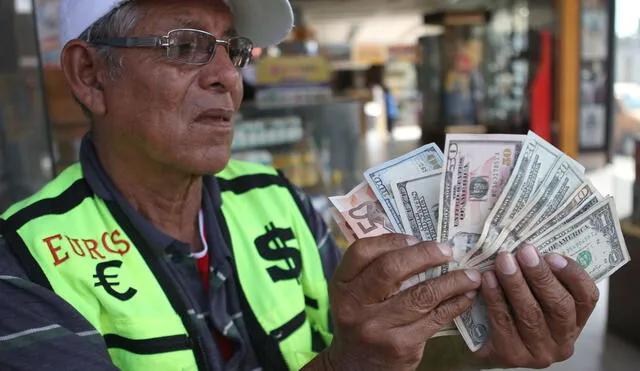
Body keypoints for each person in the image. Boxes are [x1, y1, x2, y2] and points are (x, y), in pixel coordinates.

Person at [0, 0, 599, 370]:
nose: (227, 80)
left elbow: (382, 347)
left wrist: (481, 348)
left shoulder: (276, 199)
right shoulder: (22, 263)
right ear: (89, 74)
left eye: (232, 51)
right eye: (184, 47)